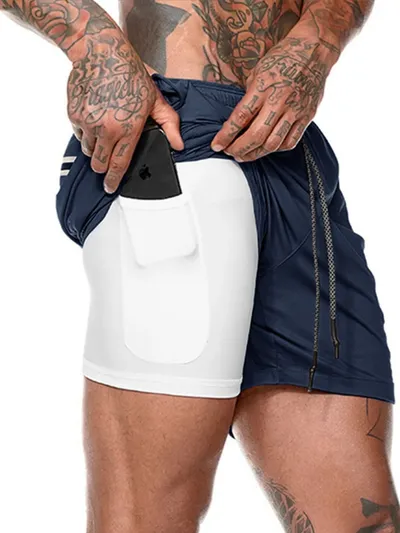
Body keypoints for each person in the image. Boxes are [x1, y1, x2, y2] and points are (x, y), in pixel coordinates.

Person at [1, 0, 398, 531]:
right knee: (148, 521)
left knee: (364, 522)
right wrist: (92, 41)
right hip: (173, 140)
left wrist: (319, 40)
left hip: (295, 158)